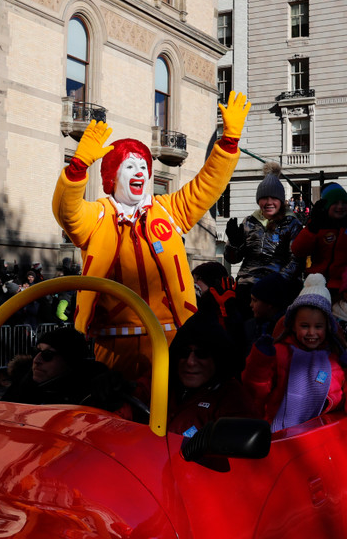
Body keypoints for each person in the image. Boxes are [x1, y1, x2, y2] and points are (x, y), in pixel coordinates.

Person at [52, 91, 250, 379]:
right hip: (113, 342)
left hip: (170, 337)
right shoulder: (96, 216)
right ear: (112, 176)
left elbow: (207, 184)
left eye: (143, 167)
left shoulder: (168, 209)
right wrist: (77, 167)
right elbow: (66, 210)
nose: (139, 173)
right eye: (129, 166)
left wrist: (227, 143)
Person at [243, 274, 347, 433]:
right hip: (279, 434)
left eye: (318, 326)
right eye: (305, 326)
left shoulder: (337, 358)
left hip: (319, 435)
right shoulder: (281, 353)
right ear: (293, 326)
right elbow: (256, 390)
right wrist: (260, 361)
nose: (311, 332)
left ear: (328, 328)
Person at [223, 162, 304, 313]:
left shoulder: (292, 223)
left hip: (278, 286)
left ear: (281, 201)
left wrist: (275, 282)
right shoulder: (249, 222)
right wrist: (234, 244)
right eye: (264, 198)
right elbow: (232, 259)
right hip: (248, 284)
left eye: (273, 198)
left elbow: (297, 260)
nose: (268, 202)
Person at [165, 312, 259, 436]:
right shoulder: (162, 381)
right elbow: (139, 391)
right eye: (184, 352)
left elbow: (240, 443)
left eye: (201, 354)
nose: (190, 362)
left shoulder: (233, 400)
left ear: (217, 359)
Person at [291, 182, 347, 295]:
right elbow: (298, 250)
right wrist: (313, 226)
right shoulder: (317, 226)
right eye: (335, 203)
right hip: (317, 288)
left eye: (344, 203)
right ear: (326, 205)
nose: (340, 207)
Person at [0, 327, 109, 406]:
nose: (36, 360)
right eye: (36, 351)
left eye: (47, 355)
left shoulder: (91, 397)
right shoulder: (21, 385)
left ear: (69, 361)